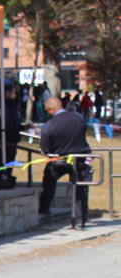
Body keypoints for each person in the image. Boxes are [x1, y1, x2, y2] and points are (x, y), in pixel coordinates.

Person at [38, 96, 92, 224]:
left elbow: (45, 147)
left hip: (59, 160)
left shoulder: (50, 125)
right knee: (80, 189)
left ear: (51, 110)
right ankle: (80, 218)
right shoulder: (78, 117)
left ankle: (44, 208)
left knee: (49, 181)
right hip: (80, 158)